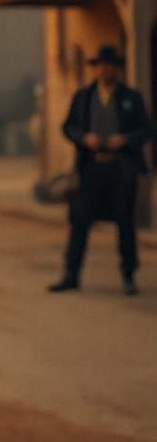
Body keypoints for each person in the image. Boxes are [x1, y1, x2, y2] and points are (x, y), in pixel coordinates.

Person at [49, 45, 152, 296]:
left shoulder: (131, 98)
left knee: (125, 223)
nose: (105, 69)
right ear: (95, 69)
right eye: (100, 65)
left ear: (116, 68)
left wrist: (125, 140)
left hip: (120, 168)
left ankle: (128, 275)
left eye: (109, 65)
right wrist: (84, 138)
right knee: (80, 221)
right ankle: (71, 273)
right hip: (91, 168)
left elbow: (146, 130)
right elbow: (68, 127)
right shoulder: (83, 97)